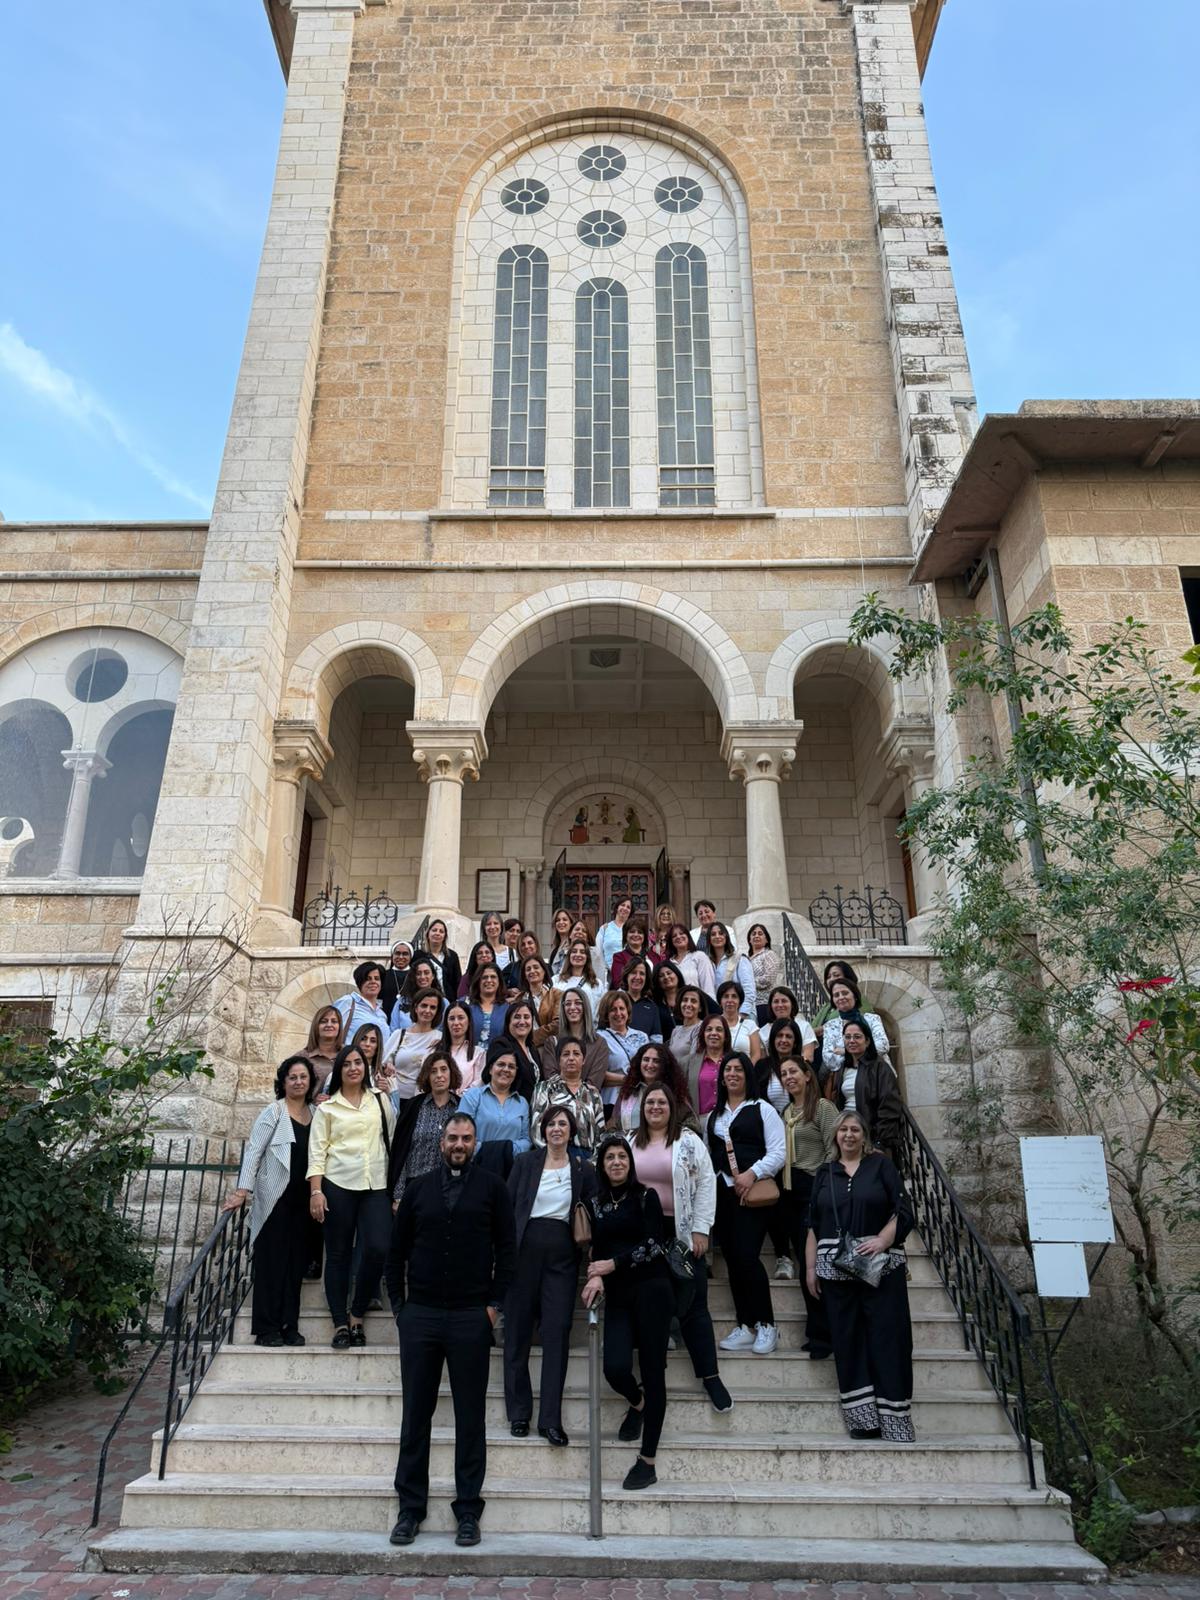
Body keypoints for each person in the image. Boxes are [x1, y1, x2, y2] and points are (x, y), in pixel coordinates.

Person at [386, 1112, 517, 1547]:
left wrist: (493, 1307)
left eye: (466, 1138)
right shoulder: (418, 1188)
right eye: (453, 1138)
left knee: (470, 1417)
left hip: (470, 1317)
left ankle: (468, 1511)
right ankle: (410, 1509)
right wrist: (401, 1309)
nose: (459, 1144)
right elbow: (395, 1252)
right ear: (442, 1141)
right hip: (420, 1316)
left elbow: (507, 1250)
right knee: (415, 1415)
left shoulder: (493, 1189)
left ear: (475, 1143)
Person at [806, 1109, 915, 1441]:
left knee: (889, 1339)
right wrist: (810, 1269)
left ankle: (895, 1421)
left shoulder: (881, 1166)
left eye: (855, 1129)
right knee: (848, 1341)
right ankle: (864, 1422)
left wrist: (883, 1240)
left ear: (864, 1135)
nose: (849, 1135)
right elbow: (812, 1224)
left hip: (881, 1269)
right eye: (843, 1130)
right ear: (835, 1136)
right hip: (835, 1271)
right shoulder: (825, 1172)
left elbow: (903, 1210)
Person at [581, 1134, 674, 1492]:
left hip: (652, 1290)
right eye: (610, 1158)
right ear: (602, 1166)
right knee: (615, 1367)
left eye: (622, 1156)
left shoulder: (646, 1196)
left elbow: (654, 1245)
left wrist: (612, 1265)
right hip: (619, 1295)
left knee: (653, 1372)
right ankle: (638, 1402)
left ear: (630, 1163)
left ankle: (647, 1461)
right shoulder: (596, 1203)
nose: (617, 1162)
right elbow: (596, 1249)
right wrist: (597, 1274)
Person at [632, 1084, 731, 1412]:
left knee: (695, 1305)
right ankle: (648, 1384)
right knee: (650, 1309)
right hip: (645, 1236)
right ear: (642, 1108)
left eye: (661, 1102)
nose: (655, 1107)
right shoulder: (631, 1142)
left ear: (672, 1107)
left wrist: (702, 1229)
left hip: (683, 1231)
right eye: (650, 1102)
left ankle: (710, 1376)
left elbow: (706, 1182)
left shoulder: (688, 1141)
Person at [504, 1107, 597, 1444]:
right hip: (523, 1252)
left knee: (557, 1332)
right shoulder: (525, 1163)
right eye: (551, 1124)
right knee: (517, 1331)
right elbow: (507, 1208)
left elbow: (594, 1215)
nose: (556, 1128)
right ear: (542, 1131)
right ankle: (519, 1413)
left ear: (572, 1131)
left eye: (562, 1124)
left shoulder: (583, 1169)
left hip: (562, 1256)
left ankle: (550, 1420)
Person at [223, 1054, 317, 1346]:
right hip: (274, 1198)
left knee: (295, 1266)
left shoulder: (316, 1113)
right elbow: (254, 1151)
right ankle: (266, 1329)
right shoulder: (274, 1112)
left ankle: (289, 1325)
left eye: (303, 1077)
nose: (298, 1082)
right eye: (293, 1077)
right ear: (283, 1082)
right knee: (271, 1263)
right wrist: (242, 1191)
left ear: (310, 1081)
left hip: (303, 1202)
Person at [307, 1042, 396, 1348]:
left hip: (376, 1185)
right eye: (346, 1064)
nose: (353, 1068)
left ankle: (357, 1312)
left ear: (366, 1067)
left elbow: (392, 1139)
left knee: (378, 1247)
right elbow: (317, 1152)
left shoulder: (380, 1099)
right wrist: (316, 1191)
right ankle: (340, 1323)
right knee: (338, 1254)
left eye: (358, 1062)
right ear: (339, 1070)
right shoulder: (327, 1108)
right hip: (338, 1184)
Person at [706, 1051, 786, 1356]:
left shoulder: (763, 1109)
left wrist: (752, 1174)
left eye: (738, 1069)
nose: (732, 1074)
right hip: (722, 1194)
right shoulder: (714, 1116)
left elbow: (778, 1152)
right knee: (732, 1258)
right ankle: (745, 1324)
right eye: (728, 1070)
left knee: (748, 1257)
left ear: (747, 1075)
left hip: (752, 1194)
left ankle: (767, 1324)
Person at [778, 1058, 838, 1356]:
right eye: (783, 1074)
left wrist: (821, 1188)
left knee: (815, 1262)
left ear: (807, 1076)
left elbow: (834, 1149)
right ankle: (818, 1330)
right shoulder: (786, 1113)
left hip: (815, 1187)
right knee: (805, 1263)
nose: (788, 1077)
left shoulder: (823, 1108)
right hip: (790, 1191)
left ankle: (825, 1335)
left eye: (793, 1072)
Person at [387, 1050, 463, 1207]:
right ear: (427, 1076)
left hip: (449, 1189)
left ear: (451, 1073)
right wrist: (398, 1195)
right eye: (433, 1071)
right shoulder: (413, 1106)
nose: (439, 1075)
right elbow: (401, 1151)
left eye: (443, 1069)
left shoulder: (461, 1107)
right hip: (413, 1187)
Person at [826, 1020, 903, 1165]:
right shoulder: (843, 1068)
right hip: (848, 1136)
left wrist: (880, 1142)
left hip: (871, 1138)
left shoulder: (880, 1067)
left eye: (857, 1037)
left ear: (867, 1041)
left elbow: (889, 1106)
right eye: (847, 1037)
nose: (851, 1041)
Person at [459, 1041, 532, 1166]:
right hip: (476, 1166)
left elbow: (526, 1141)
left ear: (516, 1072)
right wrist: (488, 1151)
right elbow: (461, 1133)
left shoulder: (522, 1103)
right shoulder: (473, 1096)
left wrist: (505, 1151)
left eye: (511, 1066)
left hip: (511, 1169)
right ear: (490, 1069)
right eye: (501, 1064)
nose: (506, 1069)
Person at [530, 1036, 606, 1154]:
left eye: (576, 1054)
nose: (571, 1058)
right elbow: (536, 1131)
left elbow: (600, 1136)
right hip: (552, 1156)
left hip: (587, 1159)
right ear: (558, 1060)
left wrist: (593, 1162)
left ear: (583, 1060)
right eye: (565, 1054)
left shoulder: (593, 1093)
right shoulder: (544, 1088)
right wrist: (553, 1157)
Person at [613, 1040, 695, 1136]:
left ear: (665, 1065)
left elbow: (691, 1127)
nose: (650, 1065)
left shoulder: (676, 1093)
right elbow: (614, 1124)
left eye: (656, 1061)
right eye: (646, 1059)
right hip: (630, 1144)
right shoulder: (628, 1092)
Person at [538, 987, 609, 1091]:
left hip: (587, 1099)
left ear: (585, 1006)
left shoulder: (599, 1044)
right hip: (557, 1098)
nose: (572, 1007)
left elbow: (594, 1083)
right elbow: (551, 1077)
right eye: (568, 1004)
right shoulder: (552, 1042)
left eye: (578, 1003)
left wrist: (578, 1094)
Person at [817, 978, 889, 1076]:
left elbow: (883, 1046)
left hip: (878, 1075)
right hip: (846, 1077)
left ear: (855, 996)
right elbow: (829, 1059)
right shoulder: (830, 1026)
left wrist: (844, 1051)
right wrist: (863, 1051)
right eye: (836, 995)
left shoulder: (872, 1019)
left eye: (845, 993)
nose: (841, 997)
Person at [382, 987, 445, 1100]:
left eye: (433, 1007)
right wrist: (388, 1066)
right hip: (394, 1099)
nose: (427, 1011)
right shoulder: (399, 1035)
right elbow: (381, 1063)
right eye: (424, 1005)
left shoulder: (440, 1039)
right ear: (416, 1007)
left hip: (423, 1101)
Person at [596, 990, 650, 1112]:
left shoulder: (642, 1036)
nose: (618, 1013)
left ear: (628, 1011)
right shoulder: (599, 1038)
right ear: (606, 1013)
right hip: (612, 1102)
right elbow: (596, 1073)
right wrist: (628, 1080)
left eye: (622, 1008)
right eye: (613, 1009)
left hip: (640, 1099)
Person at [704, 922, 754, 1018]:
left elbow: (749, 990)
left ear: (726, 936)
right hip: (719, 1016)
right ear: (709, 939)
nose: (717, 936)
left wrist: (741, 1016)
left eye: (720, 933)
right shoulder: (707, 963)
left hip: (742, 1015)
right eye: (713, 934)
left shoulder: (739, 959)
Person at [552, 937, 605, 1021]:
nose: (578, 954)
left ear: (587, 957)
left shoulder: (596, 983)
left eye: (582, 952)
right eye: (574, 951)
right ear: (569, 956)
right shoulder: (556, 980)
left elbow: (598, 1011)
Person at [689, 1012, 731, 1118]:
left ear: (726, 1036)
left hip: (730, 1119)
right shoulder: (688, 1062)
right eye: (709, 1029)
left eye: (719, 1030)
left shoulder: (734, 1061)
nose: (714, 1033)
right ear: (703, 1035)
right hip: (700, 1121)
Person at [332, 961, 389, 1038]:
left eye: (377, 978)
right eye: (368, 979)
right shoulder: (348, 1002)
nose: (373, 981)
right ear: (360, 982)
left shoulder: (382, 1014)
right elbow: (332, 1032)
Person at [499, 998, 541, 1100]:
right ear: (508, 1021)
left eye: (526, 1017)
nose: (522, 1022)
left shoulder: (532, 1048)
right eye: (517, 1017)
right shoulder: (501, 1044)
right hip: (510, 1104)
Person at [811, 959, 873, 1028]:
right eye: (828, 977)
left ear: (848, 978)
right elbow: (811, 1028)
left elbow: (862, 1024)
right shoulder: (827, 1006)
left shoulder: (860, 1000)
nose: (831, 979)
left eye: (836, 975)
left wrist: (823, 1029)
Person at [440, 1000, 485, 1092]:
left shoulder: (478, 1053)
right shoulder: (434, 1050)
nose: (456, 1023)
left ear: (469, 1021)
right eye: (452, 1018)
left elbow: (478, 1084)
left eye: (461, 1018)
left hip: (465, 1099)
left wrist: (458, 1097)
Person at [765, 986, 819, 1063]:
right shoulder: (763, 1032)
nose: (780, 1005)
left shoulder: (804, 1026)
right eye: (776, 1001)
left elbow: (808, 1057)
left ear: (792, 1004)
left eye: (784, 1001)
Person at [668, 985, 707, 1090]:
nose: (688, 1004)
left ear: (700, 1008)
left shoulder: (701, 1028)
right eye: (685, 1000)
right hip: (673, 1082)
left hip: (688, 1085)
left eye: (693, 1001)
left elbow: (693, 1060)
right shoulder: (676, 1030)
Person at [390, 957, 444, 1030]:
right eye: (418, 973)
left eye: (426, 973)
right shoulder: (402, 1002)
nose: (422, 977)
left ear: (433, 976)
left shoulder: (443, 1002)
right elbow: (393, 1029)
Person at [666, 923, 717, 1003]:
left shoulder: (699, 957)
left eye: (681, 933)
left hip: (697, 1005)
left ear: (688, 936)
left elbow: (708, 987)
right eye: (674, 936)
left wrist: (710, 1007)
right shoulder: (669, 963)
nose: (678, 937)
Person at [417, 917, 462, 1005]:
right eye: (434, 930)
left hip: (447, 1001)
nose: (437, 933)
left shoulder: (452, 956)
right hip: (423, 1000)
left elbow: (457, 981)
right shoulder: (418, 955)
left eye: (441, 931)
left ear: (445, 936)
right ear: (428, 933)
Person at [467, 962, 509, 1054]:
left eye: (493, 977)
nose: (489, 980)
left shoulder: (507, 1008)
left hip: (497, 1057)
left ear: (499, 981)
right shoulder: (466, 1004)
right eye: (484, 977)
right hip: (470, 1058)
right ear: (478, 981)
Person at [746, 923, 781, 1027]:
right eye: (753, 934)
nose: (756, 936)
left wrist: (747, 983)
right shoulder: (747, 959)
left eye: (760, 934)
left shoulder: (769, 954)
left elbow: (768, 979)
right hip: (749, 1006)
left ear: (766, 940)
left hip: (763, 1005)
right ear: (749, 940)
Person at [717, 981, 763, 1061]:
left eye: (734, 996)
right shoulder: (713, 1025)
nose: (730, 1000)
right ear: (720, 1001)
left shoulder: (750, 1025)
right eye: (726, 996)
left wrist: (747, 1068)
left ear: (740, 1002)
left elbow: (756, 1055)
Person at [621, 955, 663, 1040]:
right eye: (633, 972)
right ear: (627, 975)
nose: (637, 977)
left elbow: (656, 1039)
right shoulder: (615, 1002)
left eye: (642, 974)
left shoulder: (652, 1007)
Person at [609, 917, 655, 990]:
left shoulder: (654, 957)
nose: (636, 935)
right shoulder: (619, 957)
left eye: (640, 932)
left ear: (644, 936)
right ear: (626, 935)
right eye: (632, 932)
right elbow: (618, 983)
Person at [596, 894, 634, 977]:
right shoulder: (605, 928)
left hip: (629, 973)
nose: (625, 908)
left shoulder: (632, 930)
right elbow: (598, 952)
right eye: (622, 905)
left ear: (630, 912)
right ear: (617, 907)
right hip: (608, 974)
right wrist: (605, 970)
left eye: (628, 907)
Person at [301, 1004, 343, 1077]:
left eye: (334, 1021)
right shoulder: (302, 1057)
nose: (329, 1025)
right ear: (316, 1026)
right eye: (324, 1021)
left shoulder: (348, 1054)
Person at [378, 940, 414, 1023]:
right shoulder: (383, 975)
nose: (401, 957)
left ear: (410, 956)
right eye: (397, 953)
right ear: (392, 955)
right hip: (385, 1020)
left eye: (405, 954)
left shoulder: (416, 976)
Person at [649, 959, 685, 1036]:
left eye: (669, 973)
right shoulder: (654, 1004)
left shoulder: (691, 994)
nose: (666, 977)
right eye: (661, 976)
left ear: (676, 974)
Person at [547, 906, 574, 976]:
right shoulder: (554, 948)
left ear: (571, 923)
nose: (561, 922)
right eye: (558, 920)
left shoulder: (573, 946)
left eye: (564, 919)